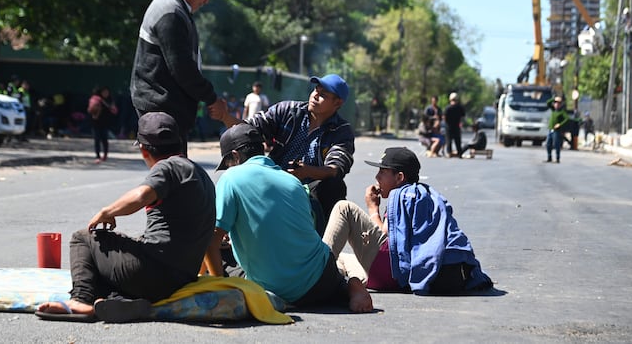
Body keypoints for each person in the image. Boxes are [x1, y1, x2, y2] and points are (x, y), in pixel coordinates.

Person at [35, 112, 216, 323]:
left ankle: (81, 300)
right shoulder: (201, 174)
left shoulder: (168, 167)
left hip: (152, 271)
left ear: (142, 148)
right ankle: (120, 300)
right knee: (111, 259)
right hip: (180, 280)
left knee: (83, 238)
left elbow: (141, 195)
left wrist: (107, 211)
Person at [203, 124, 373, 313]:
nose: (228, 168)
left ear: (235, 156)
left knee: (217, 253)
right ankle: (348, 286)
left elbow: (211, 239)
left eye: (227, 163)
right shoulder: (291, 179)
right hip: (321, 279)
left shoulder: (231, 177)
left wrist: (218, 284)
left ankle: (226, 286)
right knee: (319, 271)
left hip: (274, 289)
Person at [323, 147, 492, 295]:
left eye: (382, 172)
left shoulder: (401, 195)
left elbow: (388, 236)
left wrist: (373, 209)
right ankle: (347, 282)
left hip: (395, 271)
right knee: (342, 259)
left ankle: (318, 275)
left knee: (343, 208)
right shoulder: (428, 195)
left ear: (399, 177)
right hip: (413, 276)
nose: (377, 177)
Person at [212, 74, 354, 228]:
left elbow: (335, 169)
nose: (315, 95)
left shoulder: (341, 131)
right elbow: (246, 131)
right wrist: (225, 116)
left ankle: (323, 245)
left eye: (323, 95)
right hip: (273, 179)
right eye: (316, 90)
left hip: (309, 189)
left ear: (338, 103)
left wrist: (306, 172)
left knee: (334, 186)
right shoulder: (287, 110)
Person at [130, 0, 224, 156]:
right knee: (173, 175)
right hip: (161, 109)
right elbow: (182, 69)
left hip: (165, 108)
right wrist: (211, 98)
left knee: (174, 176)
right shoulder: (170, 13)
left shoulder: (174, 8)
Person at [88, 86, 118, 163]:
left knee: (104, 140)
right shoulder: (96, 99)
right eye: (104, 92)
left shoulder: (110, 100)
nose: (105, 93)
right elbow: (90, 110)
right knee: (97, 139)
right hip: (96, 123)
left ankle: (105, 155)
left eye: (107, 92)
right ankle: (97, 156)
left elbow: (114, 111)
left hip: (105, 123)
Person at [546, 96, 569, 163]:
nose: (556, 104)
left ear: (560, 104)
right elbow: (548, 103)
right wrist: (554, 98)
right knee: (548, 144)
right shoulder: (553, 110)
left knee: (556, 144)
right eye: (555, 103)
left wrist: (560, 124)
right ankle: (549, 157)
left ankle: (557, 158)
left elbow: (567, 118)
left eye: (558, 103)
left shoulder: (561, 112)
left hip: (557, 131)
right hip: (551, 129)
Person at [443, 92, 466, 158]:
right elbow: (463, 116)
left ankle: (449, 153)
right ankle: (459, 153)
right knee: (457, 140)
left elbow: (444, 117)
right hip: (456, 126)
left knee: (449, 140)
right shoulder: (460, 107)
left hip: (449, 126)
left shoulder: (448, 108)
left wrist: (446, 123)